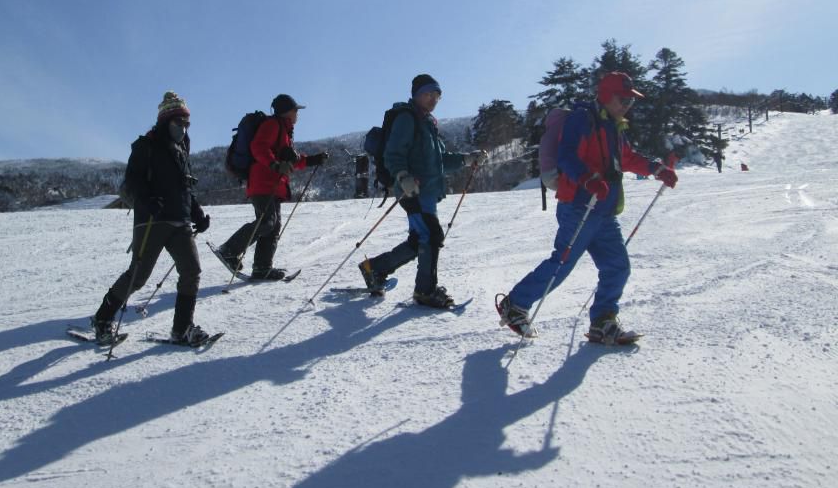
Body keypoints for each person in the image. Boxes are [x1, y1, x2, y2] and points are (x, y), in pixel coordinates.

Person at [499, 72, 678, 343]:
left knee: (618, 266)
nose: (627, 105)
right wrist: (588, 178)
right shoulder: (582, 120)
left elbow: (627, 157)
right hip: (579, 206)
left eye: (631, 101)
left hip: (604, 211)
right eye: (623, 99)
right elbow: (567, 155)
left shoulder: (614, 126)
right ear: (606, 96)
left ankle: (603, 322)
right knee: (562, 264)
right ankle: (515, 304)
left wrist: (656, 168)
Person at [90, 91, 214, 346]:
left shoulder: (182, 149)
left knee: (192, 271)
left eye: (186, 124)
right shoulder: (146, 146)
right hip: (152, 221)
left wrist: (198, 214)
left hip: (180, 220)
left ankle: (182, 329)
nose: (183, 128)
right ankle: (103, 318)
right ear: (165, 121)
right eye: (179, 123)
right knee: (139, 275)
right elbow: (132, 181)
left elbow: (184, 189)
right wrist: (146, 201)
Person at [359, 74, 485, 308]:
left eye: (437, 96)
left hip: (426, 190)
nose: (433, 99)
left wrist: (467, 159)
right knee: (432, 235)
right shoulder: (407, 119)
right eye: (428, 94)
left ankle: (375, 268)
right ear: (416, 94)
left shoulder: (427, 124)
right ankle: (425, 291)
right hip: (411, 189)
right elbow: (394, 153)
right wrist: (402, 176)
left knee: (419, 240)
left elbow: (439, 161)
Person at [215, 94, 328, 280]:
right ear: (288, 112)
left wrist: (313, 160)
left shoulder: (284, 131)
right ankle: (229, 250)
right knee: (266, 222)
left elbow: (290, 160)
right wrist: (274, 165)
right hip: (263, 183)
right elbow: (258, 147)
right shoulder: (272, 125)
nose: (297, 114)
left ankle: (262, 268)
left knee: (273, 226)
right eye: (295, 110)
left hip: (274, 186)